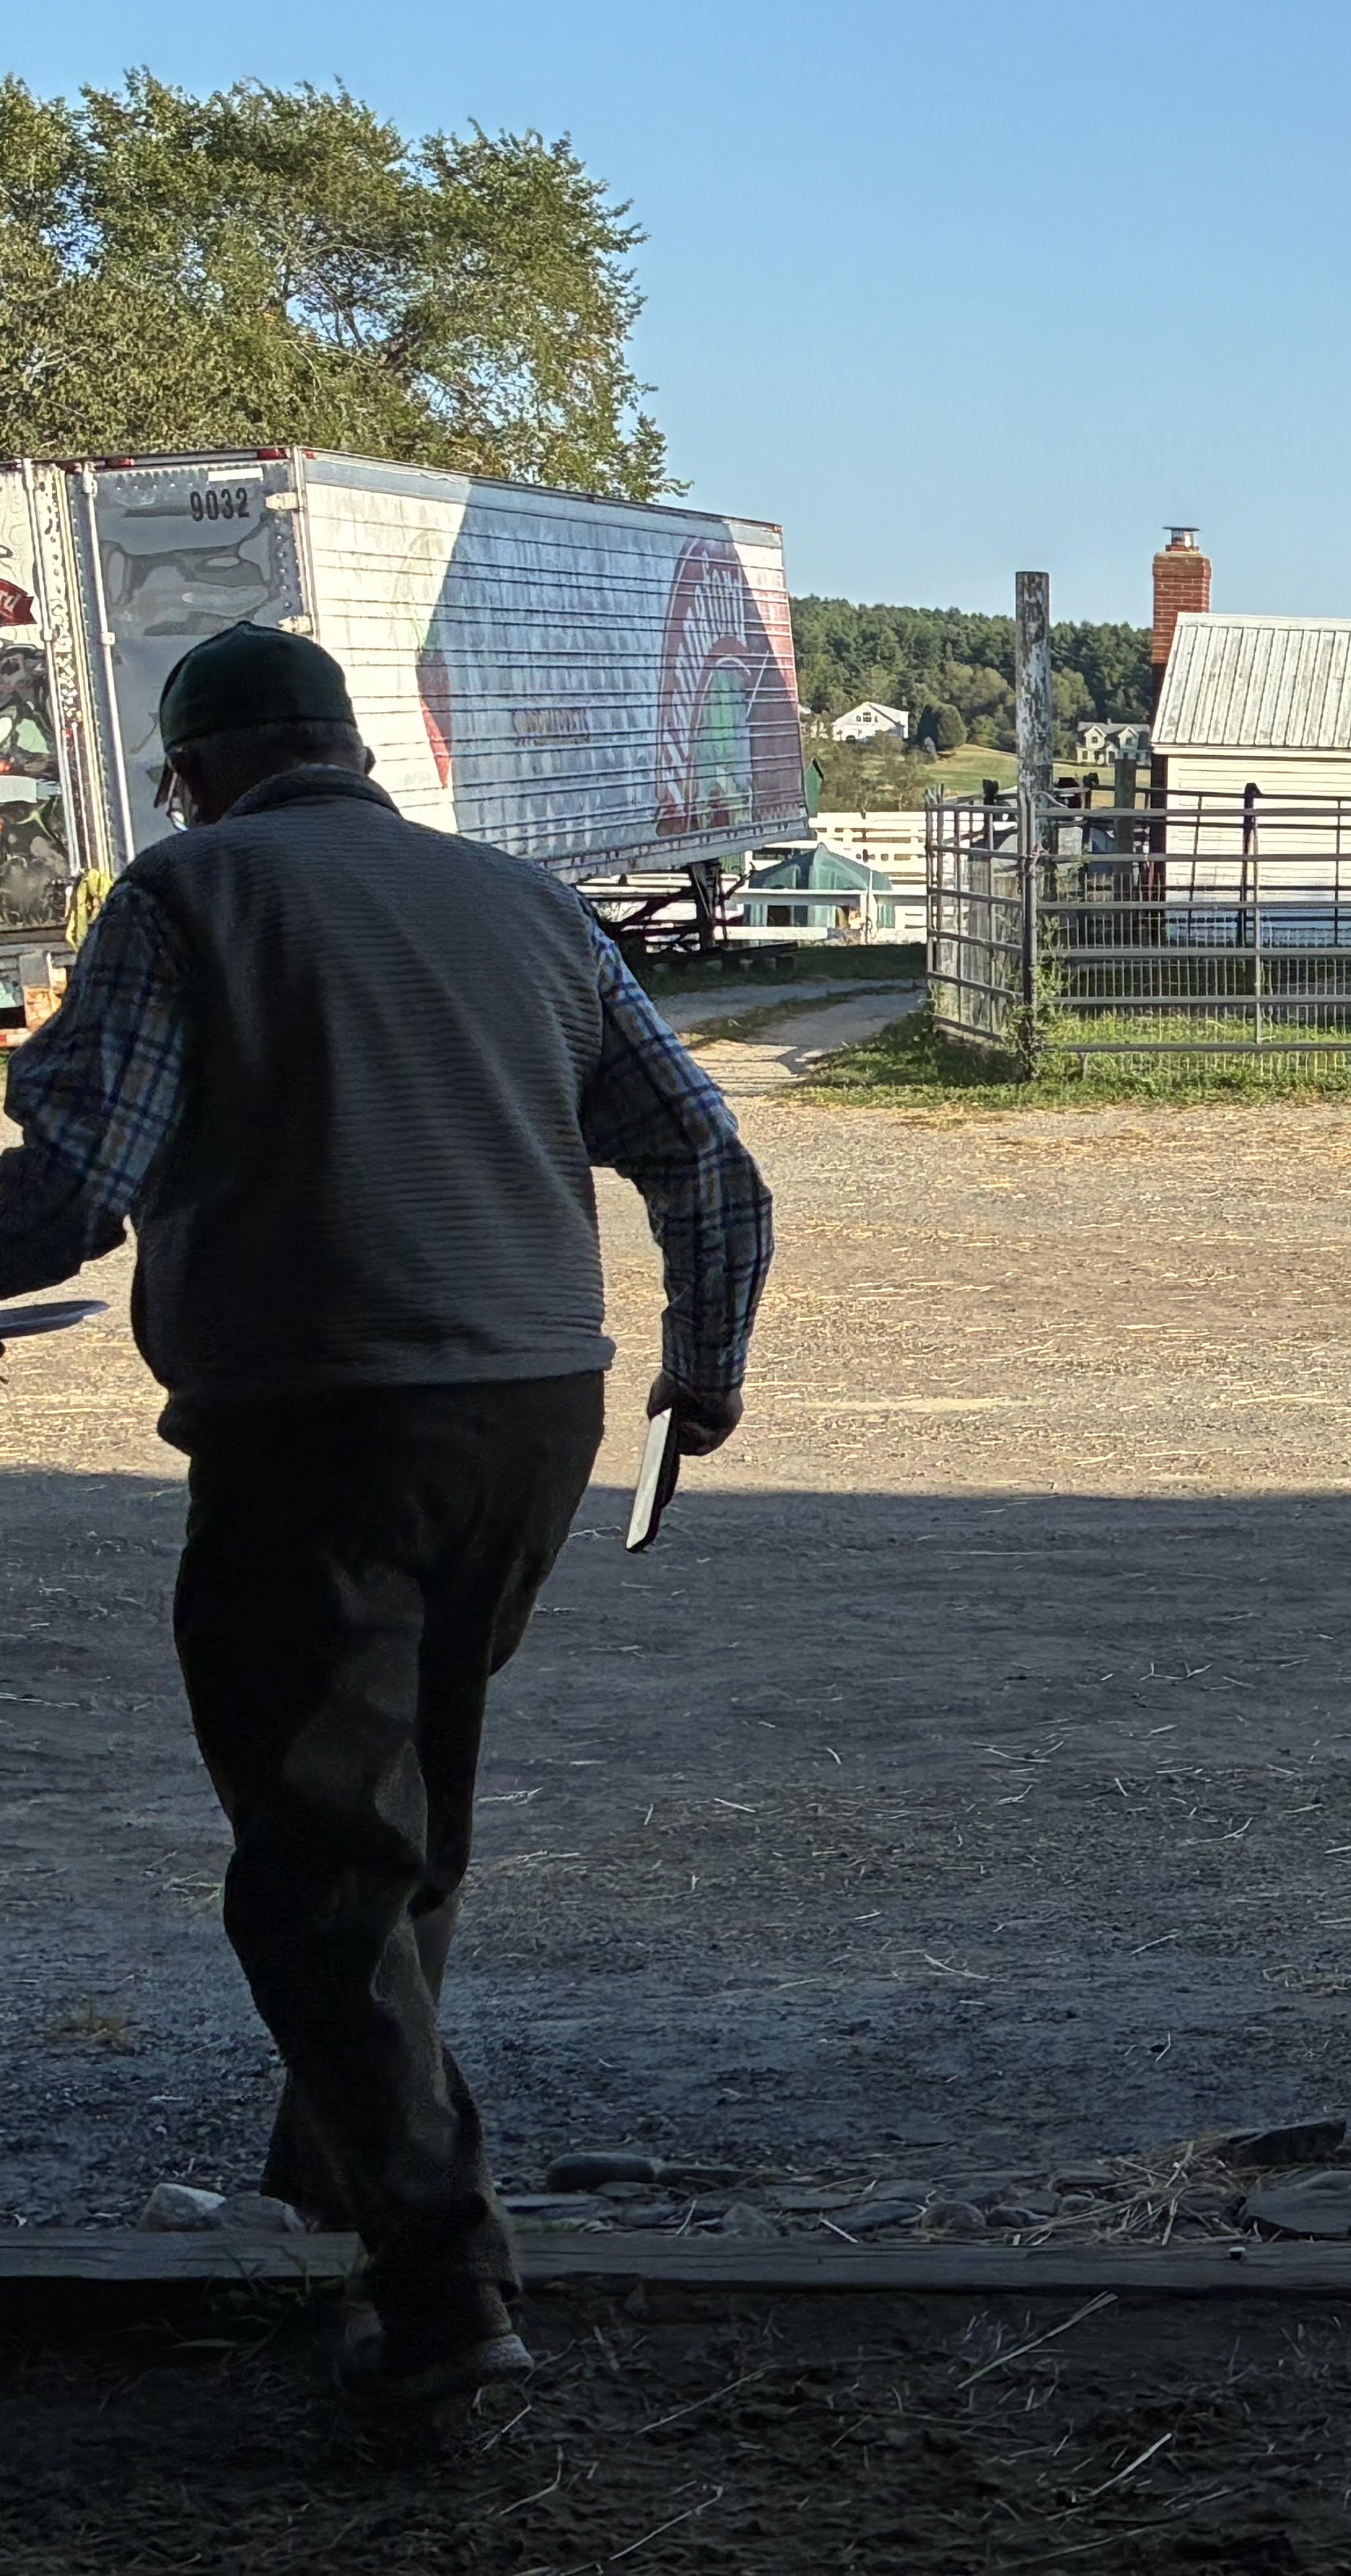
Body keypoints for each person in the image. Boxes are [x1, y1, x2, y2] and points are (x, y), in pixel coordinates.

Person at [0, 622, 771, 2410]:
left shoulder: (191, 894)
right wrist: (703, 1367)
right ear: (353, 751)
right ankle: (333, 2173)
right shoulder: (526, 904)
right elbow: (707, 1159)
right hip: (531, 1415)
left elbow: (80, 1194)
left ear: (191, 777)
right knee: (401, 1814)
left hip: (321, 1415)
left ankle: (446, 2293)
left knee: (316, 1867)